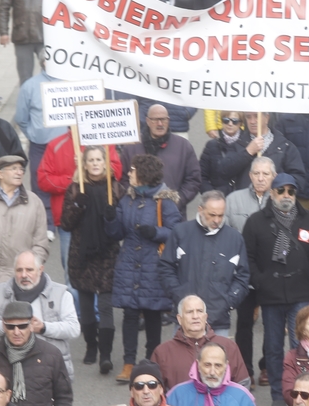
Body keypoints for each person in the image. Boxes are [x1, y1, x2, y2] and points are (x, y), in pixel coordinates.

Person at [243, 172, 309, 406]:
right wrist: (260, 281)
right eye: (281, 191)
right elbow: (248, 256)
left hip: (301, 294)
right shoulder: (256, 221)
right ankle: (279, 394)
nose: (286, 195)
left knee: (302, 346)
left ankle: (302, 392)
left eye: (291, 191)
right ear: (272, 193)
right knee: (273, 346)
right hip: (271, 295)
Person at [107, 155, 183, 381]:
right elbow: (116, 234)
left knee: (152, 316)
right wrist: (110, 219)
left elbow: (177, 232)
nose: (128, 173)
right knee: (129, 315)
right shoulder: (126, 199)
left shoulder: (165, 201)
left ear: (144, 173)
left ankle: (151, 363)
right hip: (130, 263)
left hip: (153, 265)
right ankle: (128, 363)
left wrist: (156, 232)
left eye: (132, 170)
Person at [59, 146, 125, 374]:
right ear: (84, 165)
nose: (96, 163)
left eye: (99, 159)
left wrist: (112, 217)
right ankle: (91, 346)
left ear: (105, 163)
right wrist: (78, 206)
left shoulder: (116, 189)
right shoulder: (75, 189)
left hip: (108, 255)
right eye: (91, 160)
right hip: (82, 255)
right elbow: (66, 223)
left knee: (106, 307)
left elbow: (123, 226)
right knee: (86, 308)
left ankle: (105, 355)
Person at [37, 129, 122, 297]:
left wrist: (92, 171)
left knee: (103, 270)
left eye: (98, 160)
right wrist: (75, 180)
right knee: (73, 272)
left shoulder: (105, 142)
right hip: (71, 220)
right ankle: (77, 317)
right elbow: (43, 179)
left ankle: (97, 315)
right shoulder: (55, 144)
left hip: (101, 220)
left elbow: (117, 173)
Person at [158, 191, 250, 336]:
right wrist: (178, 294)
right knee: (182, 359)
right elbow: (165, 268)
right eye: (212, 215)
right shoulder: (181, 232)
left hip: (218, 320)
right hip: (185, 317)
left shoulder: (235, 238)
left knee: (216, 359)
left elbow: (243, 277)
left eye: (221, 215)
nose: (217, 220)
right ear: (200, 210)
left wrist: (228, 302)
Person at [0, 251, 78, 379]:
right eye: (19, 270)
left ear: (40, 270)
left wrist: (43, 328)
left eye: (29, 270)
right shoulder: (0, 293)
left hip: (48, 366)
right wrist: (7, 326)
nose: (24, 275)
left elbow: (74, 329)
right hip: (7, 366)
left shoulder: (61, 294)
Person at [0, 156, 50, 299]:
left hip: (20, 278)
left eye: (21, 169)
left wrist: (31, 268)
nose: (19, 173)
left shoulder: (34, 202)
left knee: (19, 320)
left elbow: (41, 241)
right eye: (14, 169)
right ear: (0, 174)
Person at [226, 157, 275, 381]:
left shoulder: (280, 200)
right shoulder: (233, 200)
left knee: (271, 323)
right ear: (250, 175)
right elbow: (225, 235)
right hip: (243, 273)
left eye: (266, 174)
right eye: (257, 173)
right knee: (244, 323)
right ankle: (245, 369)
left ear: (273, 176)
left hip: (270, 273)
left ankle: (267, 367)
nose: (261, 178)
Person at [152, 295, 251, 390]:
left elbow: (242, 385)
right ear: (179, 319)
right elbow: (155, 391)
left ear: (205, 317)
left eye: (199, 311)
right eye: (189, 312)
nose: (195, 316)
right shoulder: (162, 353)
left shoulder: (228, 346)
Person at [14, 63, 66, 233]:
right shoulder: (30, 86)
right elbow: (21, 117)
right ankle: (47, 223)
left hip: (65, 146)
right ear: (43, 62)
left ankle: (66, 219)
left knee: (66, 180)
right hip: (40, 146)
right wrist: (33, 135)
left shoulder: (71, 82)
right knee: (40, 182)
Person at [121, 105, 200, 213]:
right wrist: (136, 200)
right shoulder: (131, 147)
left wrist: (176, 202)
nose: (160, 124)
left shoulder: (183, 146)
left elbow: (193, 180)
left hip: (173, 216)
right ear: (147, 121)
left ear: (169, 120)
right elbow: (123, 179)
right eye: (155, 120)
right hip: (138, 213)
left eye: (163, 119)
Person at [214, 112, 307, 200]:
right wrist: (248, 152)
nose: (252, 121)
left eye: (256, 116)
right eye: (248, 117)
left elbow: (298, 179)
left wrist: (279, 187)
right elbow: (223, 172)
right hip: (245, 206)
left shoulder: (285, 146)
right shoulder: (238, 144)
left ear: (267, 118)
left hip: (274, 206)